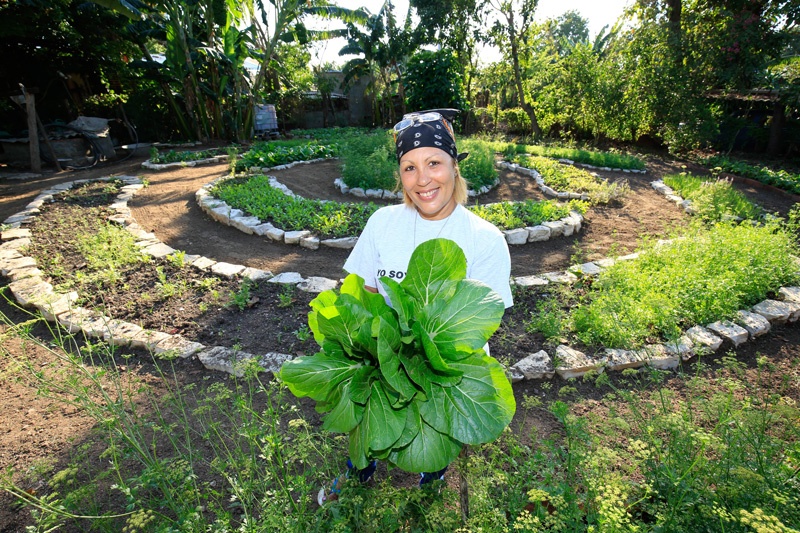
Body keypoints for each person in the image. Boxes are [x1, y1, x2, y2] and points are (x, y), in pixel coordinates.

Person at [319, 109, 513, 505]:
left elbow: (479, 323)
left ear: (454, 167)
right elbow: (364, 301)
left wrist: (419, 366)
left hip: (444, 369)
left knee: (433, 433)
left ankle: (432, 480)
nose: (423, 179)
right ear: (400, 176)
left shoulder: (484, 239)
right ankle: (361, 470)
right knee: (367, 407)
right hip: (386, 358)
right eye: (410, 167)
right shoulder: (382, 223)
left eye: (434, 163)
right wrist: (383, 358)